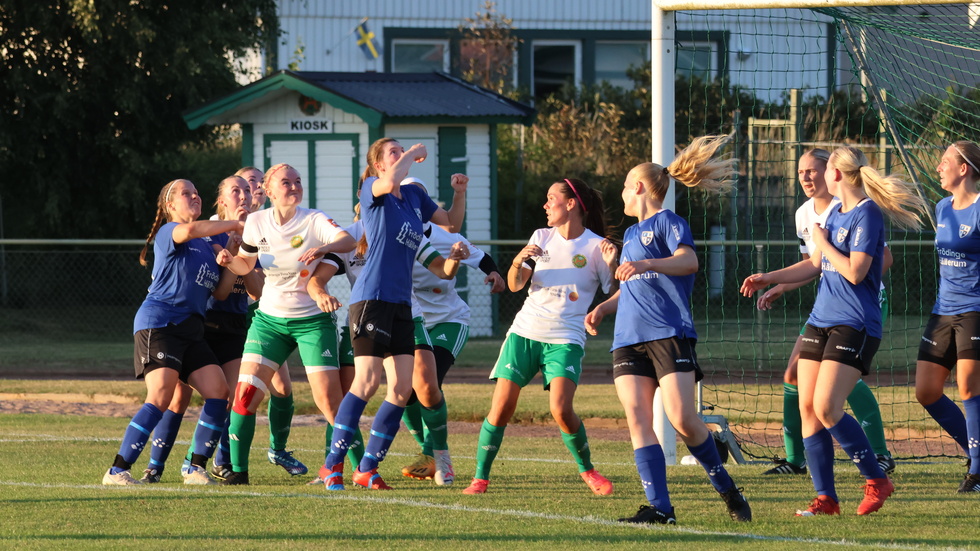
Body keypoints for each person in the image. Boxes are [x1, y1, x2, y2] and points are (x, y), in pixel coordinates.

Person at [741, 145, 927, 516]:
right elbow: (814, 263)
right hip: (820, 319)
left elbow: (856, 272)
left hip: (855, 322)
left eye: (822, 169)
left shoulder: (867, 213)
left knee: (828, 407)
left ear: (836, 174)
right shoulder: (835, 213)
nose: (815, 175)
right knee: (809, 408)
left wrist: (824, 241)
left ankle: (877, 479)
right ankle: (826, 498)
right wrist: (769, 278)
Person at [585, 135, 751, 524]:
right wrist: (604, 308)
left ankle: (727, 489)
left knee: (681, 418)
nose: (622, 193)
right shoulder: (628, 236)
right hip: (628, 339)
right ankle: (660, 508)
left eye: (626, 186)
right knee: (638, 419)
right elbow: (631, 287)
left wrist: (646, 265)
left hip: (668, 333)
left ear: (639, 188)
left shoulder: (667, 222)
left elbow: (688, 261)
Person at [318, 137, 468, 491]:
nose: (402, 155)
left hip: (402, 305)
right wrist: (414, 154)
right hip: (372, 299)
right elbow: (389, 180)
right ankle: (332, 466)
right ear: (379, 166)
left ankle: (367, 468)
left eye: (403, 150)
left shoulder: (414, 197)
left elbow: (450, 222)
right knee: (367, 382)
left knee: (401, 389)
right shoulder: (374, 189)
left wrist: (459, 192)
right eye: (394, 153)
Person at [462, 177, 617, 497]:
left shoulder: (596, 246)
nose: (545, 205)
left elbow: (613, 292)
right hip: (525, 333)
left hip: (566, 339)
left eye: (551, 199)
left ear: (571, 204)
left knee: (561, 409)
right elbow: (516, 284)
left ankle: (588, 470)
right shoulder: (541, 237)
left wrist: (613, 266)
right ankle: (480, 478)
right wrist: (518, 260)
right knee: (501, 408)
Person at [753, 149, 896, 477]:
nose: (805, 177)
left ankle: (878, 457)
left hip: (858, 310)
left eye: (813, 170)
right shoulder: (807, 215)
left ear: (832, 173)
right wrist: (775, 281)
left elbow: (873, 263)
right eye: (800, 171)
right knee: (797, 381)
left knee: (833, 392)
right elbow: (816, 266)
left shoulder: (858, 211)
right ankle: (800, 466)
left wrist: (837, 256)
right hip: (825, 309)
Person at [215, 163, 355, 485]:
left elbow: (346, 241)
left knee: (330, 403)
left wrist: (325, 246)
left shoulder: (314, 220)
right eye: (285, 182)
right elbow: (246, 263)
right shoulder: (257, 222)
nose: (293, 187)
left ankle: (346, 471)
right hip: (269, 321)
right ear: (268, 190)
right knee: (245, 395)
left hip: (311, 322)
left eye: (297, 181)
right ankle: (238, 473)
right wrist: (229, 260)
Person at [102, 179, 241, 486]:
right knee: (161, 396)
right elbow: (190, 230)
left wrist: (231, 254)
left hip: (191, 328)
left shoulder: (209, 245)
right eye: (186, 193)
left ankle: (194, 468)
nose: (195, 196)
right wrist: (236, 223)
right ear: (170, 206)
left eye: (196, 193)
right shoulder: (171, 232)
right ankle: (117, 470)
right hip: (160, 322)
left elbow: (220, 293)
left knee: (219, 392)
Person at [139, 175, 259, 483]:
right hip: (198, 324)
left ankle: (206, 463)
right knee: (175, 397)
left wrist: (237, 258)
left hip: (232, 326)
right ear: (221, 201)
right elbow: (189, 249)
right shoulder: (204, 231)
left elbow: (247, 289)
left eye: (250, 188)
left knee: (227, 396)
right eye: (238, 190)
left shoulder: (255, 233)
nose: (246, 194)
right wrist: (231, 234)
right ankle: (154, 465)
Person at [400, 186, 507, 483]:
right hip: (411, 321)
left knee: (427, 384)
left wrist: (495, 273)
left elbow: (482, 257)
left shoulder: (447, 238)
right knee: (404, 391)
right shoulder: (393, 236)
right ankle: (430, 453)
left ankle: (435, 455)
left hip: (449, 320)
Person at [916, 140, 980, 493]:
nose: (938, 168)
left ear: (964, 169)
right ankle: (976, 452)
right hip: (943, 311)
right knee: (926, 391)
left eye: (944, 162)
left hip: (974, 310)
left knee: (969, 387)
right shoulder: (942, 207)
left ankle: (978, 472)